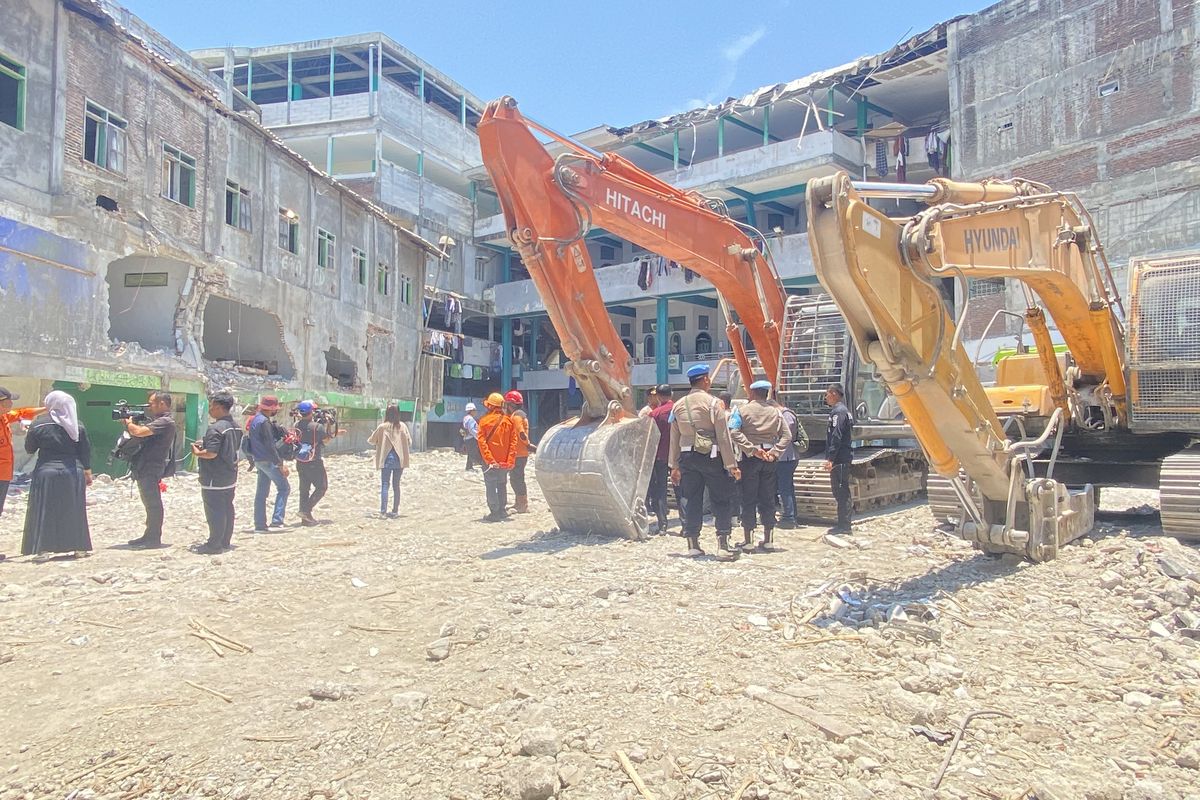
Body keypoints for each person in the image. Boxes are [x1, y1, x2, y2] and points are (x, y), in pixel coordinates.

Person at [669, 364, 740, 560]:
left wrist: (674, 465)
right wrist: (731, 465)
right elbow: (723, 436)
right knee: (721, 499)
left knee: (692, 499)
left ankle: (693, 544)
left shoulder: (678, 405)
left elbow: (674, 437)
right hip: (712, 456)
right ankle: (723, 545)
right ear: (706, 380)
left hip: (686, 457)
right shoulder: (714, 403)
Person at [21, 391, 93, 558]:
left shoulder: (38, 425)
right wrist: (87, 473)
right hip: (72, 472)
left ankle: (43, 550)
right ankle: (79, 548)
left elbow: (29, 449)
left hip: (46, 471)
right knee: (74, 509)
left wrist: (27, 431)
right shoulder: (77, 425)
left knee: (45, 509)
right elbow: (85, 452)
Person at [730, 380, 791, 553]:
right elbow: (786, 436)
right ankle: (768, 540)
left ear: (752, 393)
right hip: (769, 458)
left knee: (748, 498)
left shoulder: (741, 411)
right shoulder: (777, 413)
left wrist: (751, 449)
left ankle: (748, 541)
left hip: (749, 459)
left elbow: (734, 432)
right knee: (768, 497)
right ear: (767, 394)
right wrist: (775, 452)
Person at [121, 390, 177, 549]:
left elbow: (138, 432)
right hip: (146, 465)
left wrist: (129, 423)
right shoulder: (159, 420)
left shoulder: (165, 422)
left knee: (153, 503)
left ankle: (154, 538)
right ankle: (149, 534)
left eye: (151, 403)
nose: (149, 407)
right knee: (149, 502)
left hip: (151, 466)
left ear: (162, 404)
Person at [190, 392, 241, 554]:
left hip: (214, 477)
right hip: (230, 475)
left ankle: (214, 544)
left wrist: (197, 452)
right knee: (227, 508)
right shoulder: (236, 426)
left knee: (215, 511)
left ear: (219, 407)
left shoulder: (215, 428)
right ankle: (225, 541)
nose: (210, 410)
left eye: (211, 406)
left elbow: (211, 453)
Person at [1, 387, 42, 562]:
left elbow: (22, 413)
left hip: (4, 475)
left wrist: (47, 407)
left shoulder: (4, 417)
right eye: (9, 400)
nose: (12, 403)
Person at [248, 395, 290, 532]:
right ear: (271, 409)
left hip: (258, 460)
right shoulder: (265, 422)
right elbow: (269, 445)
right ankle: (277, 520)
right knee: (284, 488)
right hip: (268, 460)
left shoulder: (255, 420)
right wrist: (280, 464)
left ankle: (259, 524)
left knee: (261, 493)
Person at [294, 401, 338, 526]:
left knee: (304, 489)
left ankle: (305, 519)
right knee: (322, 487)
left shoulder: (297, 424)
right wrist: (329, 425)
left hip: (300, 461)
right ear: (311, 412)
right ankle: (305, 511)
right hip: (314, 461)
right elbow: (326, 440)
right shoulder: (317, 427)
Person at [477, 392, 517, 522]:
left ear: (490, 406)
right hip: (504, 462)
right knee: (502, 484)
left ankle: (494, 512)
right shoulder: (509, 422)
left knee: (490, 485)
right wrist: (509, 461)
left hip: (490, 462)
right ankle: (502, 510)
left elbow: (482, 444)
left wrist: (489, 460)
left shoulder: (483, 421)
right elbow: (513, 443)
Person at [368, 404, 411, 517]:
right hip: (400, 459)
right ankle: (395, 511)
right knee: (396, 486)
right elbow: (409, 441)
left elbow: (372, 440)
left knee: (385, 485)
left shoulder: (382, 427)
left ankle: (383, 512)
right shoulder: (403, 426)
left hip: (386, 459)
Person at [824, 382, 855, 534]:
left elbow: (836, 436)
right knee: (839, 492)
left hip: (840, 459)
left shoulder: (839, 412)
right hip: (840, 458)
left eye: (827, 394)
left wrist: (831, 458)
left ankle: (844, 525)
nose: (826, 397)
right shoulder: (839, 411)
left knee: (842, 492)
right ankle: (842, 523)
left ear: (834, 394)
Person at [646, 384, 674, 533]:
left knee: (660, 489)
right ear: (672, 394)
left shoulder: (654, 414)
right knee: (683, 489)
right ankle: (686, 523)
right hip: (678, 455)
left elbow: (649, 437)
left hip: (660, 456)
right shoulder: (679, 409)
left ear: (658, 396)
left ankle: (663, 524)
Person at [775, 400, 805, 529]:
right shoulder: (783, 413)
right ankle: (791, 515)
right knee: (786, 487)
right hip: (785, 456)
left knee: (785, 488)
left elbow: (786, 434)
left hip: (786, 457)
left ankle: (789, 517)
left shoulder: (785, 414)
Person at [504, 390, 535, 513]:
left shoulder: (516, 416)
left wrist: (528, 445)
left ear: (511, 404)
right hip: (520, 453)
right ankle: (519, 503)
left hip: (519, 453)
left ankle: (522, 504)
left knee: (516, 479)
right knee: (516, 478)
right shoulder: (520, 414)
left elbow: (520, 432)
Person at [461, 403, 481, 472]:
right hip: (471, 438)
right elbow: (472, 430)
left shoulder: (466, 418)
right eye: (474, 410)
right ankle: (470, 466)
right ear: (471, 411)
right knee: (473, 452)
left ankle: (469, 466)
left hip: (467, 438)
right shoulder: (471, 419)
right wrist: (478, 437)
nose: (475, 412)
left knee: (470, 452)